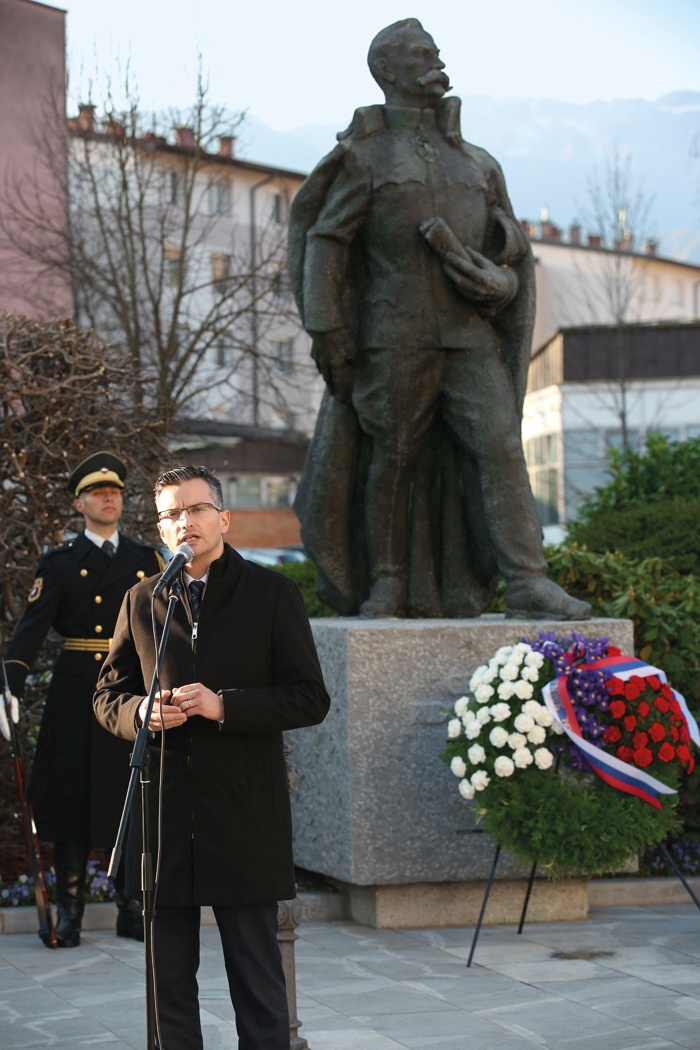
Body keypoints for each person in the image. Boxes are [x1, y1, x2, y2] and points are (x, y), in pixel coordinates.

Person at [288, 18, 591, 622]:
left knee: (502, 445)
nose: (436, 60)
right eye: (422, 54)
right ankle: (388, 582)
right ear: (388, 71)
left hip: (467, 334)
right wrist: (330, 331)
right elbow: (325, 243)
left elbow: (513, 252)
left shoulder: (477, 163)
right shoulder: (365, 156)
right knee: (393, 457)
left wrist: (499, 279)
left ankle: (527, 580)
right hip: (392, 336)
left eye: (435, 51)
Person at [93, 464, 330, 1050]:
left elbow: (310, 698)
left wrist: (225, 707)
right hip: (166, 811)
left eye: (196, 509)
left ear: (223, 518)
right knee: (167, 983)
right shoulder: (142, 600)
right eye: (171, 514)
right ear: (160, 529)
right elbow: (106, 697)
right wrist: (141, 715)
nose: (184, 523)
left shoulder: (272, 594)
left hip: (244, 810)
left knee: (256, 980)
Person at [2, 451, 165, 947]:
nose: (109, 498)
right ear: (79, 505)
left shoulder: (145, 560)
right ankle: (69, 912)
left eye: (114, 491)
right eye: (98, 493)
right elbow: (30, 633)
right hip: (75, 691)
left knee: (131, 795)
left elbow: (163, 630)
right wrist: (9, 686)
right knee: (71, 800)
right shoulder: (59, 564)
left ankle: (132, 907)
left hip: (131, 690)